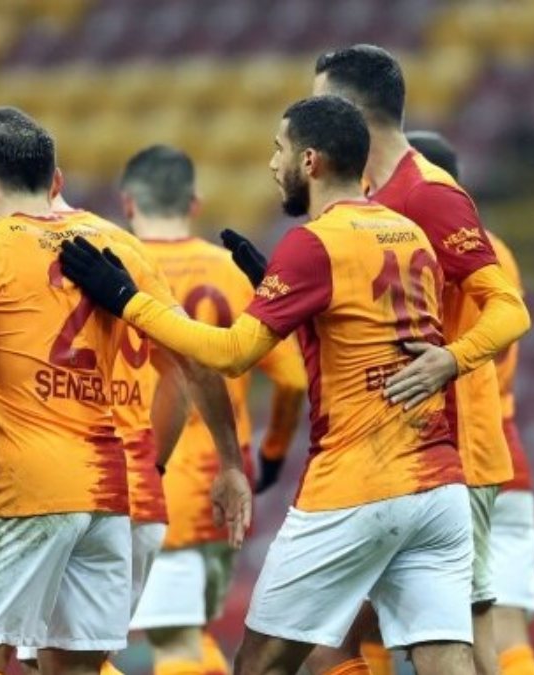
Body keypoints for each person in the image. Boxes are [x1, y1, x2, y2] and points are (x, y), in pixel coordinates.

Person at [61, 95, 483, 675]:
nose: (271, 163)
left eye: (278, 149)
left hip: (358, 481)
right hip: (438, 485)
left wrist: (126, 299)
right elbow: (362, 339)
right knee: (441, 654)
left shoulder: (315, 243)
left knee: (261, 662)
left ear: (309, 161)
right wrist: (290, 300)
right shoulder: (409, 235)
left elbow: (231, 354)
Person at [0, 120, 251, 675]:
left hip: (23, 490)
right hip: (107, 496)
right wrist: (229, 464)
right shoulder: (121, 245)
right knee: (77, 667)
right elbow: (195, 359)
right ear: (54, 179)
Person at [313, 44, 531, 675]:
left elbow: (510, 310)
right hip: (397, 449)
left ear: (351, 112)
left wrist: (449, 361)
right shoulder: (367, 199)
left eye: (319, 103)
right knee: (356, 630)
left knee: (453, 638)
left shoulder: (428, 195)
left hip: (456, 449)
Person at [117, 145, 307, 675]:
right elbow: (293, 378)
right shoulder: (230, 269)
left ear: (127, 203)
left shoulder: (115, 270)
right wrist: (271, 454)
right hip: (220, 482)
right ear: (195, 203)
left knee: (164, 640)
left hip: (142, 479)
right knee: (190, 634)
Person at [407, 130, 534, 675]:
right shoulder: (496, 252)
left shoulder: (421, 251)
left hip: (457, 449)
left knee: (409, 624)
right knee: (504, 628)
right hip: (504, 449)